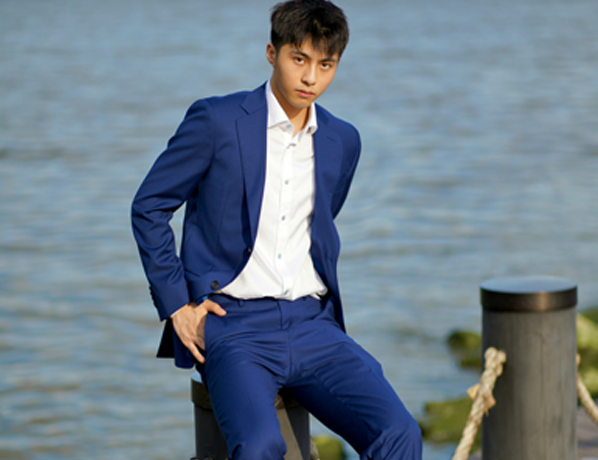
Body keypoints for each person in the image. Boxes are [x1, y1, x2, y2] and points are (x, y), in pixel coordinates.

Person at [131, 0, 422, 458]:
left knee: (400, 432)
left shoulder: (343, 140)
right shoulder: (217, 121)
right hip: (234, 326)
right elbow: (150, 206)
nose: (310, 78)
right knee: (260, 446)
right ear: (272, 53)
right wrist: (178, 307)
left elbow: (321, 220)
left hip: (313, 324)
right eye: (299, 59)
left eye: (325, 65)